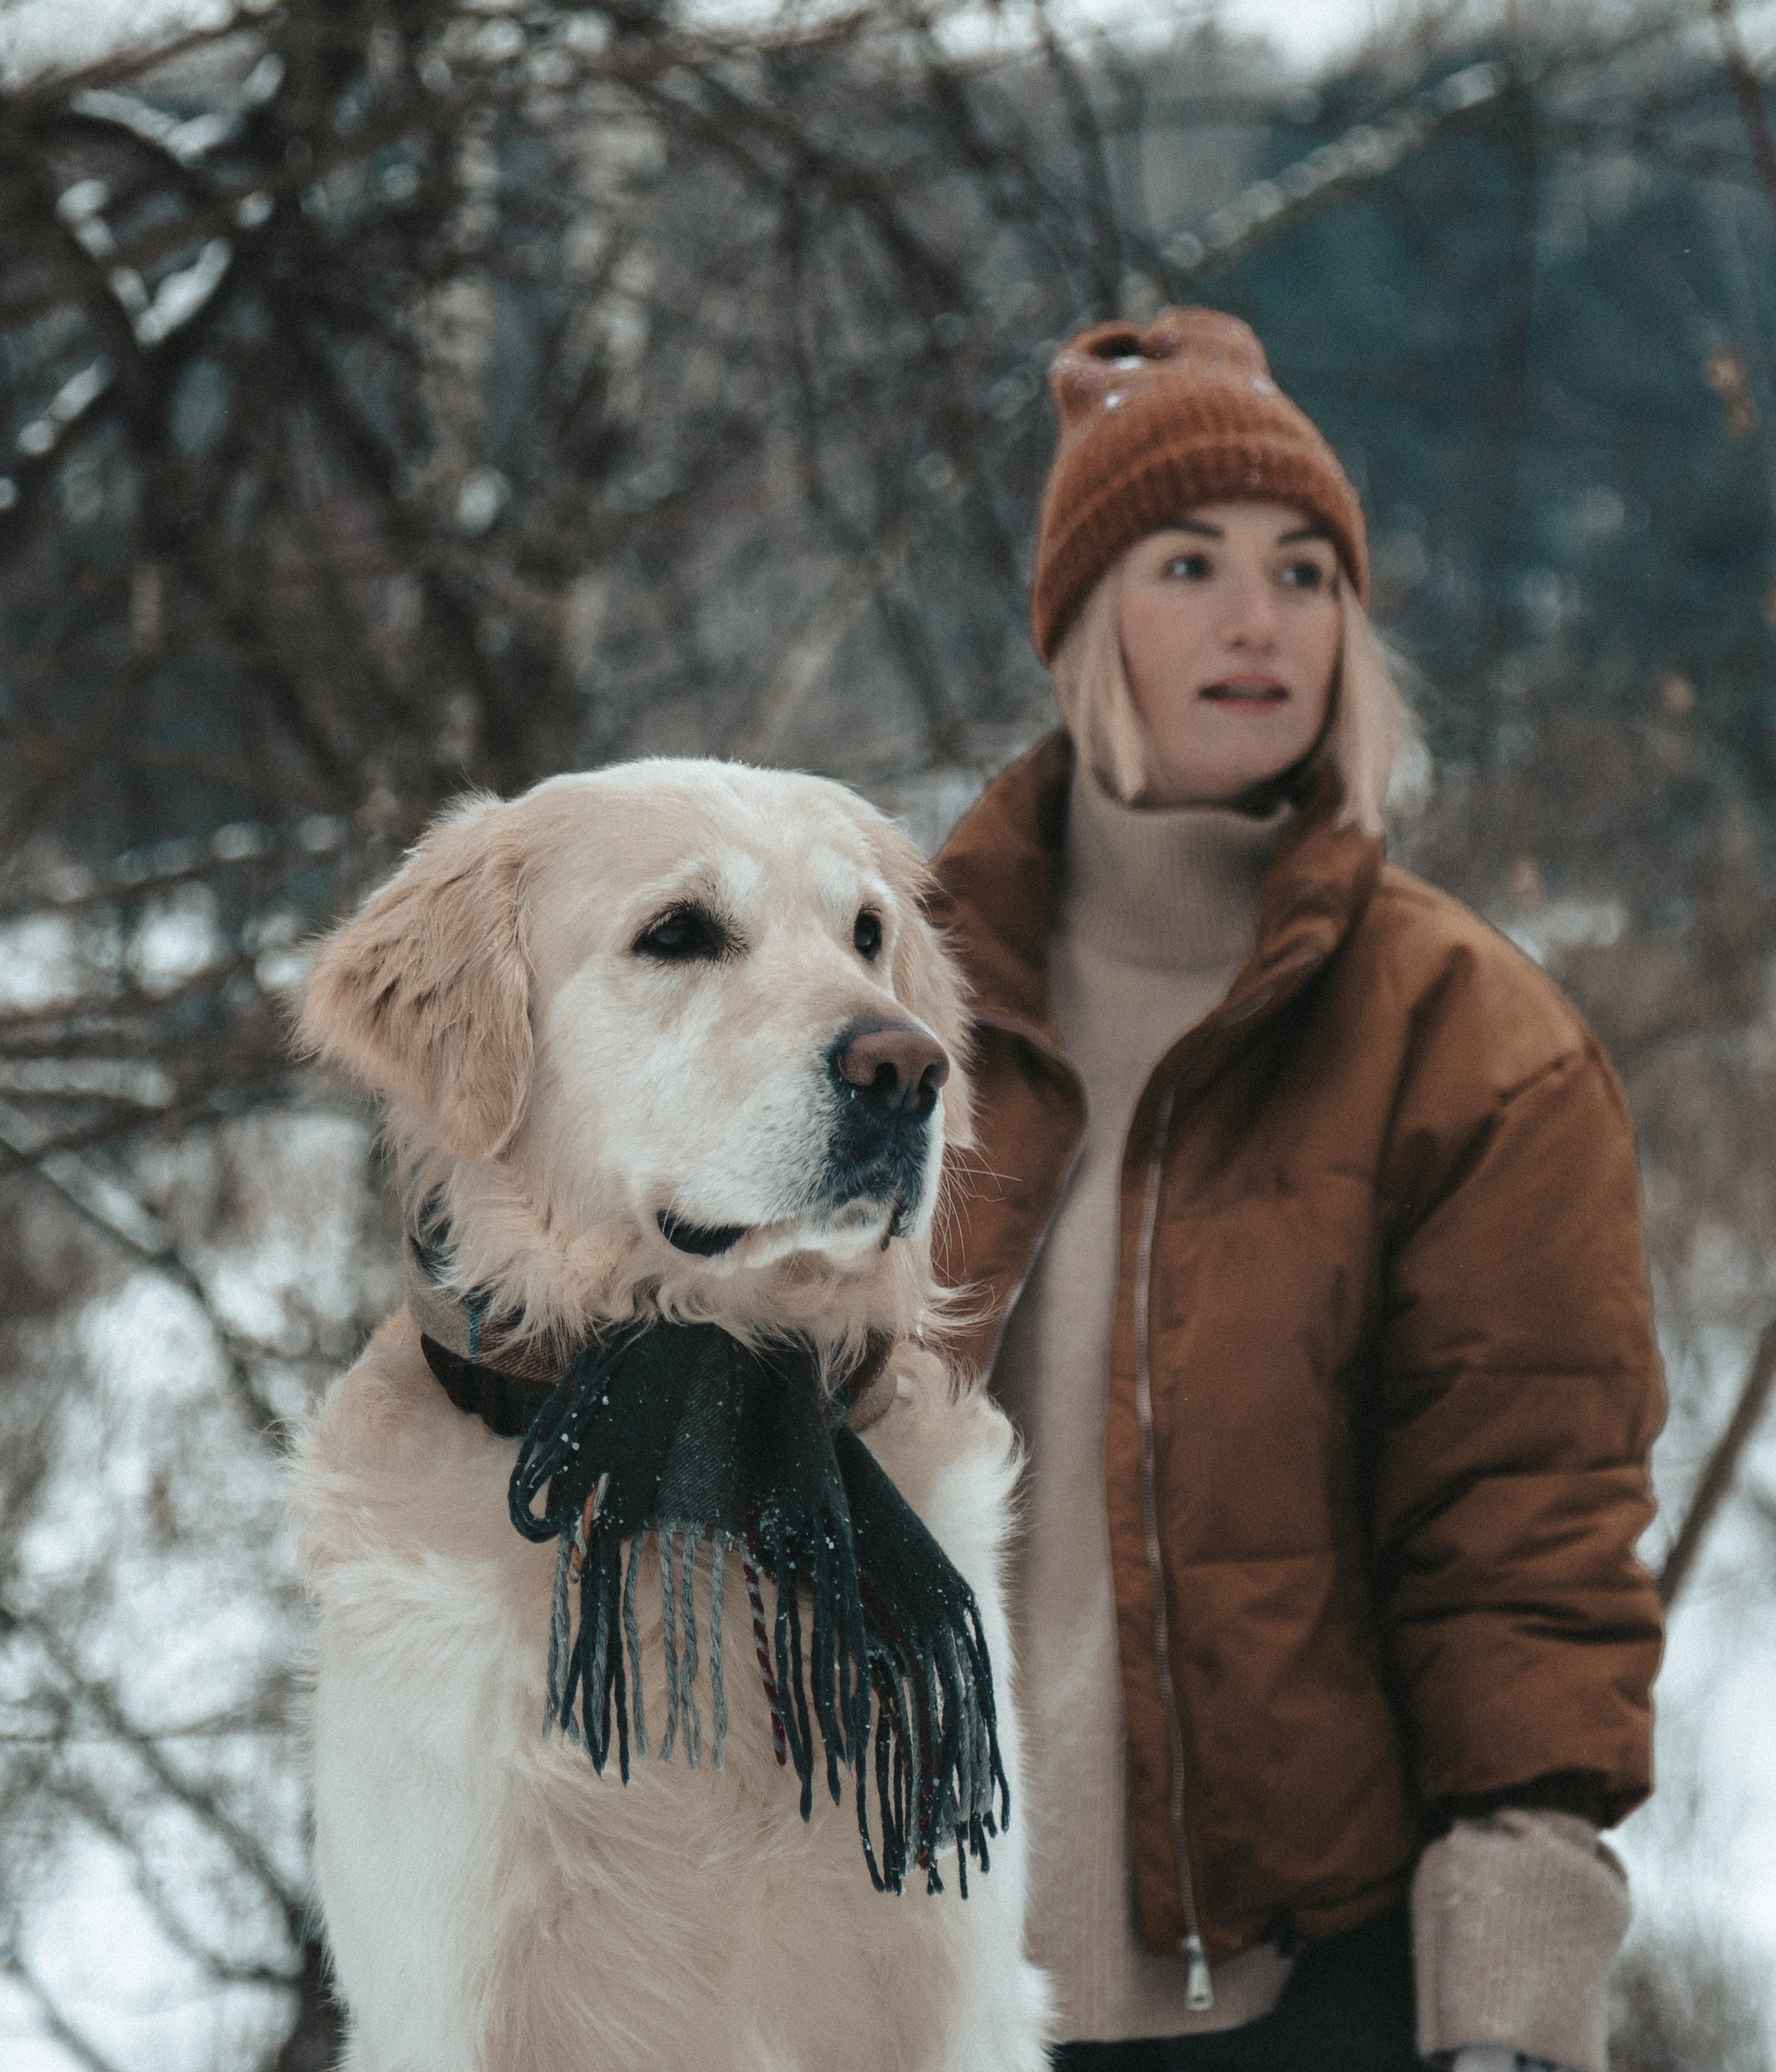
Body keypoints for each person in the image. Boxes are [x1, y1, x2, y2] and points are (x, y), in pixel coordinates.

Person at [926, 307, 1664, 2072]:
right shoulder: (891, 1004)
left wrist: (1504, 2013)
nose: (1259, 620)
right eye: (1188, 563)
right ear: (1087, 613)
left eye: (1305, 571)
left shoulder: (1471, 1044)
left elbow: (1524, 1569)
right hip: (885, 1981)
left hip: (1286, 2009)